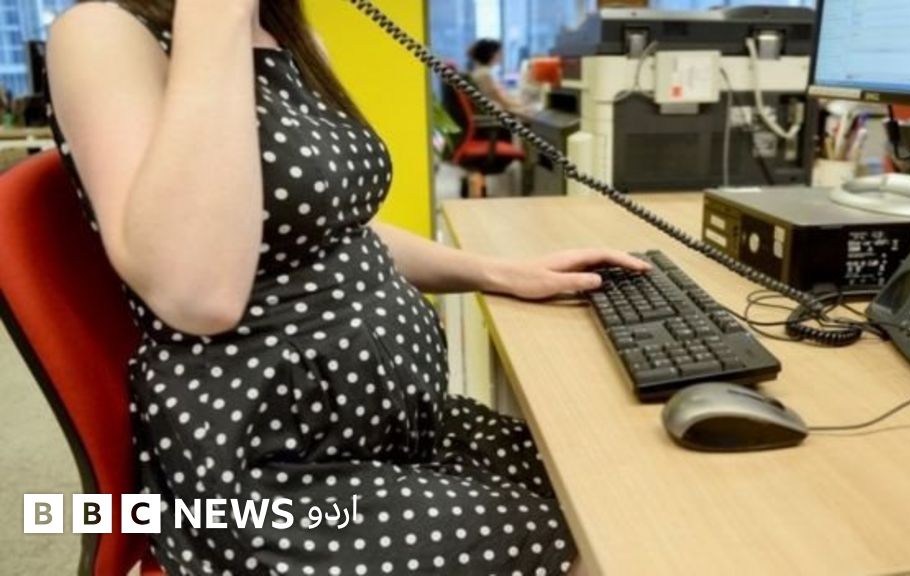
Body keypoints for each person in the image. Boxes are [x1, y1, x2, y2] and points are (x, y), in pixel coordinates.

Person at [45, 1, 650, 574]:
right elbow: (198, 295)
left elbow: (331, 228)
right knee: (574, 545)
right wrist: (217, 17)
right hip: (270, 475)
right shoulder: (103, 34)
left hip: (399, 432)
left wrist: (498, 271)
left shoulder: (288, 34)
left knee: (609, 484)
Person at [468, 38, 521, 112]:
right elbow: (502, 101)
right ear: (491, 54)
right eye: (499, 52)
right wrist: (523, 105)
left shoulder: (481, 71)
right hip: (494, 114)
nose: (502, 55)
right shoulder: (484, 74)